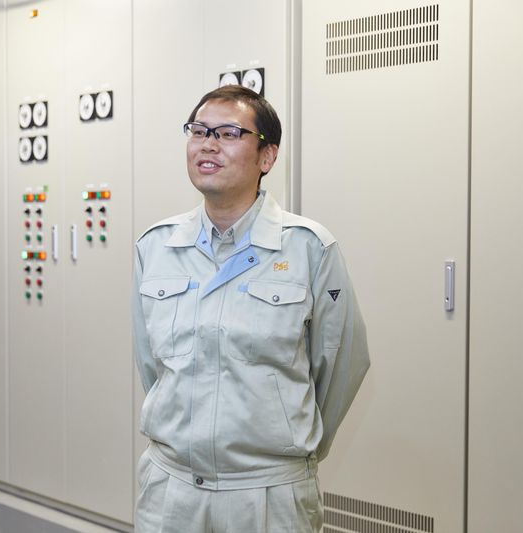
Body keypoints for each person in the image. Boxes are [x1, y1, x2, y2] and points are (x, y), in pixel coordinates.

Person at [132, 84, 370, 532]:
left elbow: (341, 365)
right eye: (199, 131)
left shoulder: (308, 248)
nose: (208, 144)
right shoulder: (156, 246)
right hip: (171, 491)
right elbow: (151, 365)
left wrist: (291, 445)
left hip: (268, 494)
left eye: (228, 133)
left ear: (267, 157)